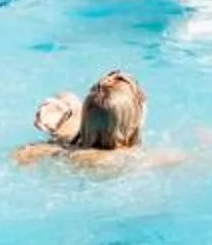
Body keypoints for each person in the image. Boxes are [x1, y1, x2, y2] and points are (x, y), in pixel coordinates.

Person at [15, 70, 184, 170]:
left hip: (77, 139)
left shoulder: (64, 150)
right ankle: (64, 111)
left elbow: (23, 154)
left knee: (67, 99)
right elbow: (188, 159)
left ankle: (64, 113)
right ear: (134, 125)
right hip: (91, 147)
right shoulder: (134, 158)